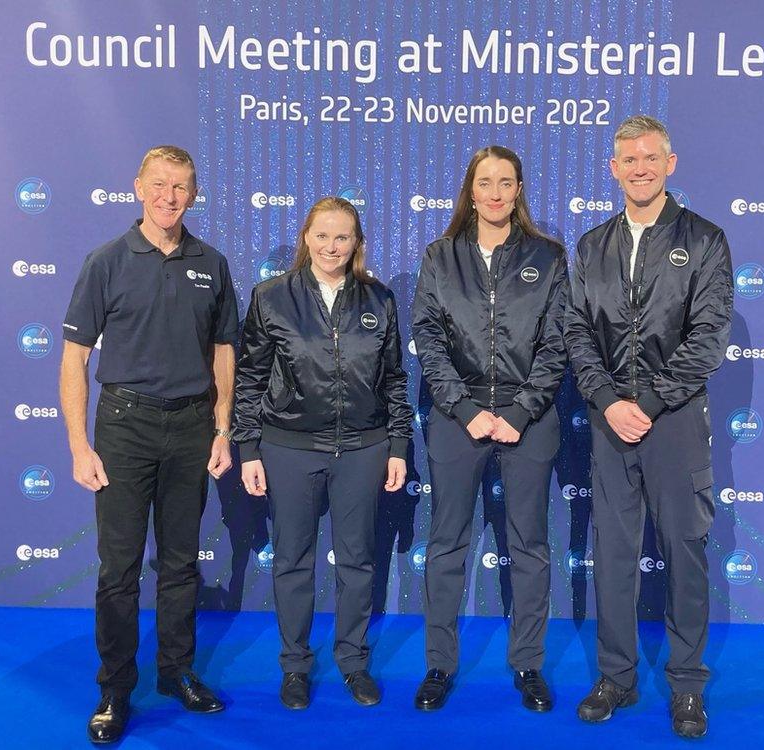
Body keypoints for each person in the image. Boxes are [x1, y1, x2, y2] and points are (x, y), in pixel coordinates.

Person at [60, 146, 238, 744]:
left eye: (181, 186)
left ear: (194, 194)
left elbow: (223, 351)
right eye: (159, 184)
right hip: (125, 427)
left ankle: (176, 671)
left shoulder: (211, 264)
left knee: (182, 563)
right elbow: (75, 357)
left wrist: (221, 427)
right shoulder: (107, 261)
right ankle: (114, 687)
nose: (169, 196)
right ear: (138, 187)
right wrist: (79, 446)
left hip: (192, 428)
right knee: (119, 568)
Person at [565, 115, 733, 738]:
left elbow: (708, 338)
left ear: (670, 163)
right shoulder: (591, 245)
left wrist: (654, 401)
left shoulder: (706, 240)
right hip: (610, 422)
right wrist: (609, 400)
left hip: (676, 421)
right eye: (628, 159)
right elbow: (577, 333)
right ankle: (617, 676)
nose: (640, 168)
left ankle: (687, 684)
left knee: (685, 553)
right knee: (613, 553)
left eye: (650, 157)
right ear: (614, 169)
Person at [233, 196, 413, 710]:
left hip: (364, 448)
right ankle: (295, 667)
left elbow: (395, 380)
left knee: (358, 561)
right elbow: (248, 379)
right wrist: (249, 449)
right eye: (322, 236)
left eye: (343, 237)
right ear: (305, 239)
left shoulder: (379, 299)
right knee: (292, 560)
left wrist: (398, 445)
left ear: (356, 243)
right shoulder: (270, 297)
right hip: (288, 449)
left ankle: (353, 662)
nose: (332, 247)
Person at [410, 146, 570, 712]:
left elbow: (558, 343)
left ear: (519, 189)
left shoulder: (549, 257)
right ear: (470, 191)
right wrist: (464, 408)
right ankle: (439, 664)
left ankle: (528, 664)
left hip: (530, 420)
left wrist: (521, 411)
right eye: (486, 182)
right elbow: (426, 339)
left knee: (529, 545)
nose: (496, 192)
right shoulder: (441, 256)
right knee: (447, 543)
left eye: (506, 181)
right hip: (459, 419)